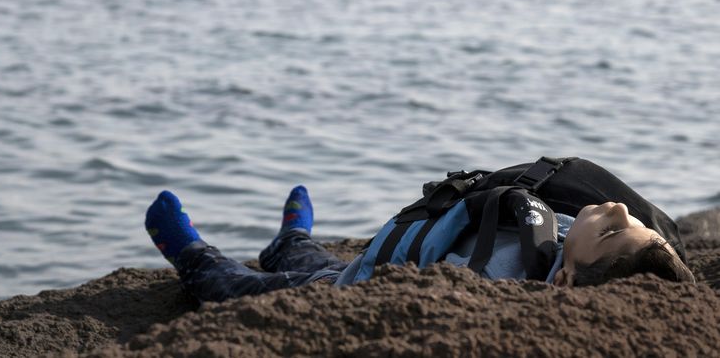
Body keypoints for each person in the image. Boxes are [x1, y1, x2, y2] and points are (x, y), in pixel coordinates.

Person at [144, 157, 695, 303]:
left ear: (565, 282)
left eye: (611, 232)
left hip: (346, 291)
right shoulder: (563, 240)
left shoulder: (501, 282)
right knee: (317, 262)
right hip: (362, 265)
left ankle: (191, 251)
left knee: (241, 288)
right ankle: (291, 239)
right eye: (641, 227)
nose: (622, 212)